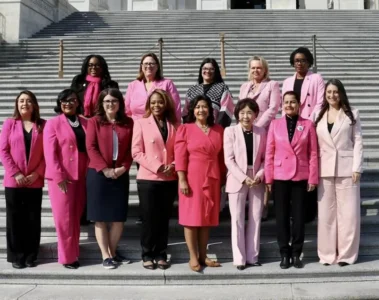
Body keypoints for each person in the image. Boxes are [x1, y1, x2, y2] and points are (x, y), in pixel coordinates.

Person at [125, 52, 181, 225]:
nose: (148, 66)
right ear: (141, 67)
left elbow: (176, 109)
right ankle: (146, 211)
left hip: (163, 133)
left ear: (157, 66)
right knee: (145, 174)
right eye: (145, 64)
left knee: (164, 173)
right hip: (140, 133)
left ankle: (164, 209)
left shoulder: (166, 83)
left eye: (152, 64)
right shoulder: (133, 85)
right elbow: (127, 110)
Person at [265, 91, 318, 269]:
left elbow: (313, 153)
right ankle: (284, 253)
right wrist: (268, 178)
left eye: (293, 102)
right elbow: (269, 153)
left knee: (299, 216)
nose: (289, 105)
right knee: (281, 217)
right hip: (280, 176)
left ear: (299, 104)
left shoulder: (308, 124)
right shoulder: (274, 124)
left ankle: (296, 253)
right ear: (282, 105)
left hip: (300, 176)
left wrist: (313, 177)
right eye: (286, 102)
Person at [313, 79, 363, 266]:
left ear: (341, 93)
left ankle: (347, 255)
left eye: (335, 92)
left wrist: (357, 167)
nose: (332, 95)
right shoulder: (318, 114)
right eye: (329, 92)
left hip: (347, 169)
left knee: (348, 214)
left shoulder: (353, 114)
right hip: (324, 169)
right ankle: (326, 255)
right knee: (326, 214)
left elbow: (358, 142)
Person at [175, 95, 226, 272]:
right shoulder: (185, 129)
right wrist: (182, 179)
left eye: (204, 106)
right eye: (197, 107)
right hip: (191, 177)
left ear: (210, 110)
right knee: (191, 218)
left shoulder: (219, 129)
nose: (201, 110)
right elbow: (180, 156)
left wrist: (223, 179)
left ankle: (203, 255)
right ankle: (193, 256)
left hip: (212, 177)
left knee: (206, 218)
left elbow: (221, 158)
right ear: (193, 110)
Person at [86, 88, 134, 269]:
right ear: (101, 104)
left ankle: (112, 252)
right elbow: (91, 147)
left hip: (120, 173)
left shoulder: (128, 122)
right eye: (107, 101)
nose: (110, 104)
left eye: (114, 101)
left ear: (120, 103)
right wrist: (104, 169)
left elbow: (132, 148)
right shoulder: (94, 122)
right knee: (100, 218)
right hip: (98, 175)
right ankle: (105, 255)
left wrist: (124, 167)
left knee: (118, 217)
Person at [132, 89, 179, 270]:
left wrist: (173, 164)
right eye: (153, 103)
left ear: (165, 103)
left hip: (169, 178)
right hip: (149, 178)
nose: (156, 105)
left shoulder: (175, 124)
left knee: (163, 218)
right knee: (149, 218)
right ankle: (147, 253)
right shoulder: (141, 123)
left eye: (160, 102)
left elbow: (179, 150)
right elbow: (136, 152)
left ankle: (161, 253)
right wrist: (157, 166)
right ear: (148, 105)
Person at [0, 91, 45, 269]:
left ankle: (30, 255)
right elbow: (3, 151)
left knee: (33, 218)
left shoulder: (43, 125)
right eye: (21, 101)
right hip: (14, 181)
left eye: (28, 101)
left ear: (34, 104)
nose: (24, 104)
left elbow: (47, 153)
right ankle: (16, 255)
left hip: (35, 180)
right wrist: (16, 173)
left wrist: (37, 173)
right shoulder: (10, 124)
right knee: (15, 219)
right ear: (17, 105)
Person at [44, 89, 88, 269]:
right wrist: (58, 174)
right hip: (62, 177)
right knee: (64, 219)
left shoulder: (86, 122)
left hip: (82, 175)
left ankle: (74, 251)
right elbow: (50, 152)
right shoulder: (53, 123)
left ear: (78, 102)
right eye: (63, 101)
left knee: (76, 216)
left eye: (71, 100)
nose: (67, 103)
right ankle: (67, 257)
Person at [282, 47, 325, 223]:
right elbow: (284, 104)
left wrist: (307, 122)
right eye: (297, 60)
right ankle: (294, 208)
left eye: (303, 60)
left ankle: (309, 209)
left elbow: (320, 102)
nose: (300, 63)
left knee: (309, 165)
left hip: (309, 125)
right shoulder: (287, 81)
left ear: (309, 62)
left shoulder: (316, 78)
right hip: (291, 125)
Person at [224, 99, 266, 270]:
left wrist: (260, 174)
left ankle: (253, 256)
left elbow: (265, 158)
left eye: (249, 112)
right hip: (237, 177)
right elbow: (229, 159)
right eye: (242, 112)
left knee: (255, 217)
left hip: (256, 177)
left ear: (256, 114)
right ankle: (239, 258)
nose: (246, 116)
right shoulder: (230, 131)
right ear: (237, 114)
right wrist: (243, 177)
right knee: (237, 219)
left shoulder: (261, 131)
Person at [239, 56, 280, 220]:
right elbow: (240, 108)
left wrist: (258, 126)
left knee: (264, 164)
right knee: (249, 163)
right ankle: (248, 201)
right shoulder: (244, 87)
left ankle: (264, 205)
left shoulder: (272, 85)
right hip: (246, 130)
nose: (256, 71)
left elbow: (274, 107)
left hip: (265, 131)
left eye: (259, 68)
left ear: (265, 70)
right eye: (253, 68)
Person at [182, 58, 235, 128]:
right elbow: (186, 112)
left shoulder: (222, 88)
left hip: (214, 130)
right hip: (194, 130)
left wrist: (218, 128)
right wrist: (190, 128)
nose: (207, 71)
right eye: (205, 68)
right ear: (201, 70)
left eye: (211, 69)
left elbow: (226, 110)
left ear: (215, 71)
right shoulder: (192, 90)